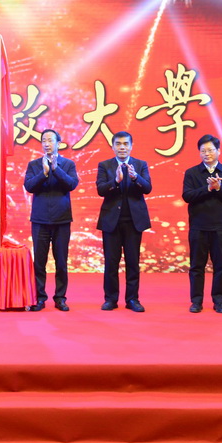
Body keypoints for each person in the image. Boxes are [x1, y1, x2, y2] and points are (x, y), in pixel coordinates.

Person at [182, 134, 222, 314]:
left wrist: (219, 188)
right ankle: (196, 301)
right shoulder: (192, 173)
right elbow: (187, 196)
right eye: (203, 151)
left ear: (219, 151)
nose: (207, 154)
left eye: (210, 150)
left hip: (221, 228)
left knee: (221, 266)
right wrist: (207, 188)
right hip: (198, 227)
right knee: (196, 266)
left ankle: (219, 301)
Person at [23, 128, 79, 311]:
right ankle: (39, 297)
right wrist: (44, 173)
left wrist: (56, 169)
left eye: (50, 140)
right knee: (39, 262)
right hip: (40, 220)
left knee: (61, 262)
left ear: (58, 143)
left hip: (61, 219)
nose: (47, 144)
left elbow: (71, 184)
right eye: (44, 141)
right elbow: (29, 186)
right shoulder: (34, 165)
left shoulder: (68, 164)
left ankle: (60, 298)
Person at [96, 131, 152, 312]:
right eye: (118, 144)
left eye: (125, 144)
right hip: (111, 221)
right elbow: (101, 190)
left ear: (131, 146)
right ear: (113, 146)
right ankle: (111, 299)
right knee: (111, 263)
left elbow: (148, 188)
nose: (122, 147)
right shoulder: (105, 165)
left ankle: (132, 299)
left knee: (133, 262)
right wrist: (115, 181)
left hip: (134, 221)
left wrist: (135, 177)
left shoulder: (140, 165)